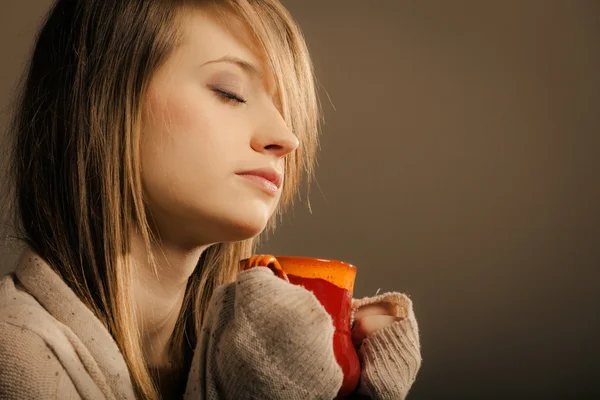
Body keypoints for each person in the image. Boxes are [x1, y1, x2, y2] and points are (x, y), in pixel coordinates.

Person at [0, 0, 422, 399]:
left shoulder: (230, 355)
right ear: (101, 100)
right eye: (230, 91)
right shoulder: (13, 357)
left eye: (286, 112)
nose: (287, 138)